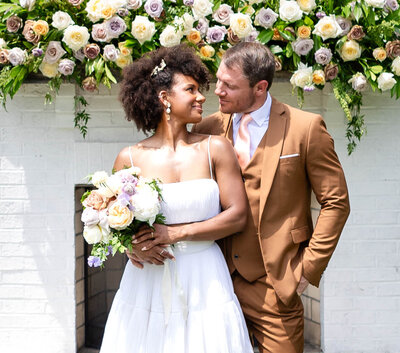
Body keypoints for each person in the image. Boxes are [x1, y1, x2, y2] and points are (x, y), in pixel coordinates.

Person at [191, 42, 351, 353]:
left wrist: (308, 268)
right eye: (219, 81)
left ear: (260, 87)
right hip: (216, 279)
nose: (217, 91)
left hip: (276, 283)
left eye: (229, 85)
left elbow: (336, 202)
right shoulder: (208, 129)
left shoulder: (305, 128)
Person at [99, 44, 254, 353]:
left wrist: (175, 233)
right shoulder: (130, 157)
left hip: (205, 276)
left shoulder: (215, 149)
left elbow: (238, 215)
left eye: (200, 90)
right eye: (191, 89)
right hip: (149, 278)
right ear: (164, 97)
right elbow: (113, 221)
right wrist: (131, 246)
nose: (201, 97)